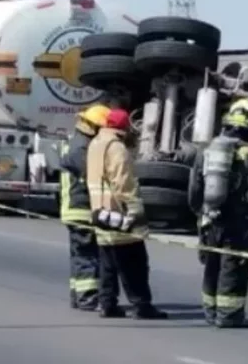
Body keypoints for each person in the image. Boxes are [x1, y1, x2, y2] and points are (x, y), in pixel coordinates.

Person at [189, 100, 248, 328]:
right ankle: (229, 315)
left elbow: (195, 187)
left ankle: (210, 310)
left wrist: (199, 211)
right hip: (240, 221)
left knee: (212, 263)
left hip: (211, 217)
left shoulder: (207, 152)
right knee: (234, 265)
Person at [86, 108, 168, 320]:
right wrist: (135, 209)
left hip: (100, 212)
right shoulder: (117, 148)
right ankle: (142, 305)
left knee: (108, 263)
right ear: (123, 128)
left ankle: (107, 304)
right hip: (118, 212)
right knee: (135, 262)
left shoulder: (95, 144)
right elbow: (123, 183)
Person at [59, 103, 110, 311]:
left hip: (72, 208)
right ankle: (88, 298)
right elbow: (94, 176)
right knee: (88, 256)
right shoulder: (83, 148)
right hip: (81, 209)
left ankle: (77, 295)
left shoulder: (76, 142)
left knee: (79, 255)